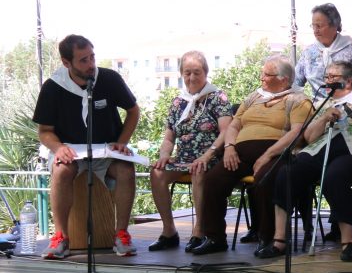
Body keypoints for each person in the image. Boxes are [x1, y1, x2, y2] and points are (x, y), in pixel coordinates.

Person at [262, 62, 352, 260]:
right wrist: (323, 119)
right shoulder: (322, 102)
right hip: (320, 149)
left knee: (334, 176)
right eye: (326, 76)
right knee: (287, 172)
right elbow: (311, 138)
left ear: (348, 80)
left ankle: (348, 242)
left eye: (333, 77)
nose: (328, 80)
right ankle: (280, 240)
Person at [33, 34, 141, 259]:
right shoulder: (53, 87)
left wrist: (121, 142)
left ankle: (121, 234)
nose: (91, 64)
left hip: (106, 149)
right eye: (83, 60)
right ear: (66, 62)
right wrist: (58, 148)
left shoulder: (109, 79)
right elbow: (44, 131)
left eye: (92, 57)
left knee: (126, 169)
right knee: (61, 170)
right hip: (71, 151)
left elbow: (133, 111)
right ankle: (61, 237)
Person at [194, 55, 312, 255]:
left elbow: (296, 133)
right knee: (212, 179)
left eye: (267, 74)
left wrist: (267, 155)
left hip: (275, 153)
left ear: (283, 79)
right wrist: (230, 147)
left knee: (265, 179)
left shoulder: (298, 99)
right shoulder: (253, 97)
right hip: (239, 152)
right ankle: (214, 237)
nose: (262, 78)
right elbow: (234, 125)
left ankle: (268, 238)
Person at [148, 51, 234, 252]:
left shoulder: (217, 97)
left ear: (205, 72)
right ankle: (169, 231)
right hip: (184, 157)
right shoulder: (178, 102)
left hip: (211, 156)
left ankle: (199, 231)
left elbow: (226, 131)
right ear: (181, 74)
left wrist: (206, 155)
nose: (192, 78)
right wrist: (163, 156)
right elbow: (169, 138)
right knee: (157, 172)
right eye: (187, 73)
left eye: (197, 72)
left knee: (199, 168)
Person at [294, 3, 352, 99]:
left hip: (349, 107)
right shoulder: (308, 52)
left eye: (319, 26)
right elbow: (295, 84)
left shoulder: (350, 48)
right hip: (319, 109)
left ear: (334, 25)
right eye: (313, 26)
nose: (316, 30)